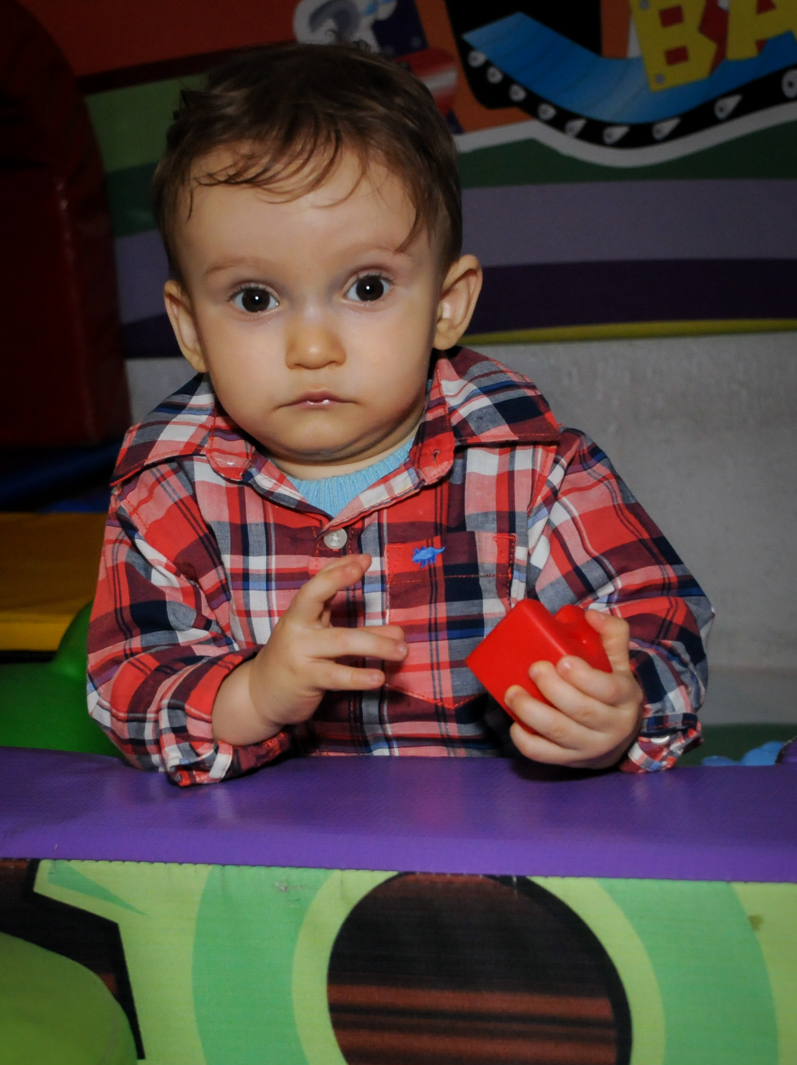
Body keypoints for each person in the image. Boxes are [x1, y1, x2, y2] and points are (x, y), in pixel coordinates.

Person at [87, 42, 712, 786]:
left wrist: (613, 710)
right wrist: (247, 695)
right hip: (274, 861)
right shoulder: (165, 495)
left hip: (507, 844)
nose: (312, 347)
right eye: (255, 298)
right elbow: (128, 683)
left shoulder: (535, 470)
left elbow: (655, 617)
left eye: (367, 288)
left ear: (446, 306)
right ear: (190, 327)